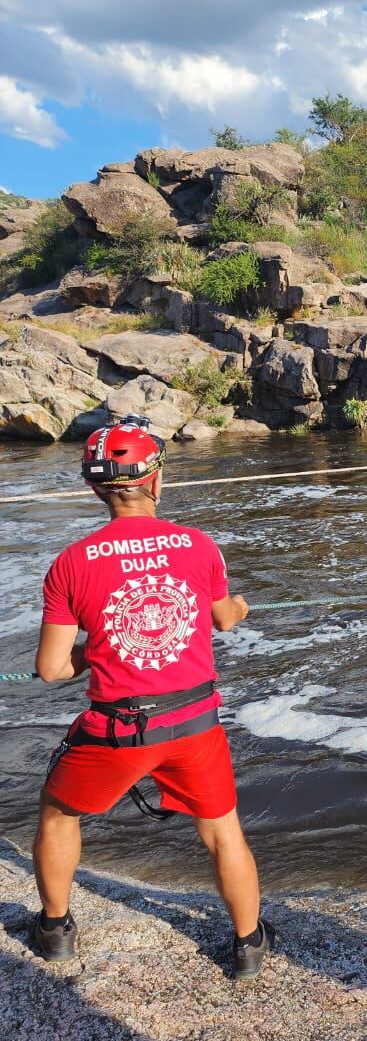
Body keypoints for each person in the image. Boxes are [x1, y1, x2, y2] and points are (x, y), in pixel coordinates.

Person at [31, 414, 274, 980]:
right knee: (222, 831)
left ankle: (55, 929)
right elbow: (223, 618)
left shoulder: (70, 563)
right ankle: (249, 943)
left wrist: (103, 651)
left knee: (59, 813)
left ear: (95, 489)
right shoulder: (198, 545)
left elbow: (49, 669)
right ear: (156, 481)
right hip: (195, 726)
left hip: (117, 731)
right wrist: (238, 608)